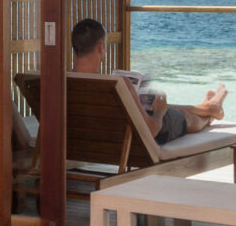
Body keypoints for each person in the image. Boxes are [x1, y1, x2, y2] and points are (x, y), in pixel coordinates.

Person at [71, 18, 227, 144]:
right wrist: (159, 112)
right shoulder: (117, 84)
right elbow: (151, 131)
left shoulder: (64, 82)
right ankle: (210, 114)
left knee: (161, 107)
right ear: (100, 47)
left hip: (100, 142)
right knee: (183, 117)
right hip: (133, 141)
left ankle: (208, 107)